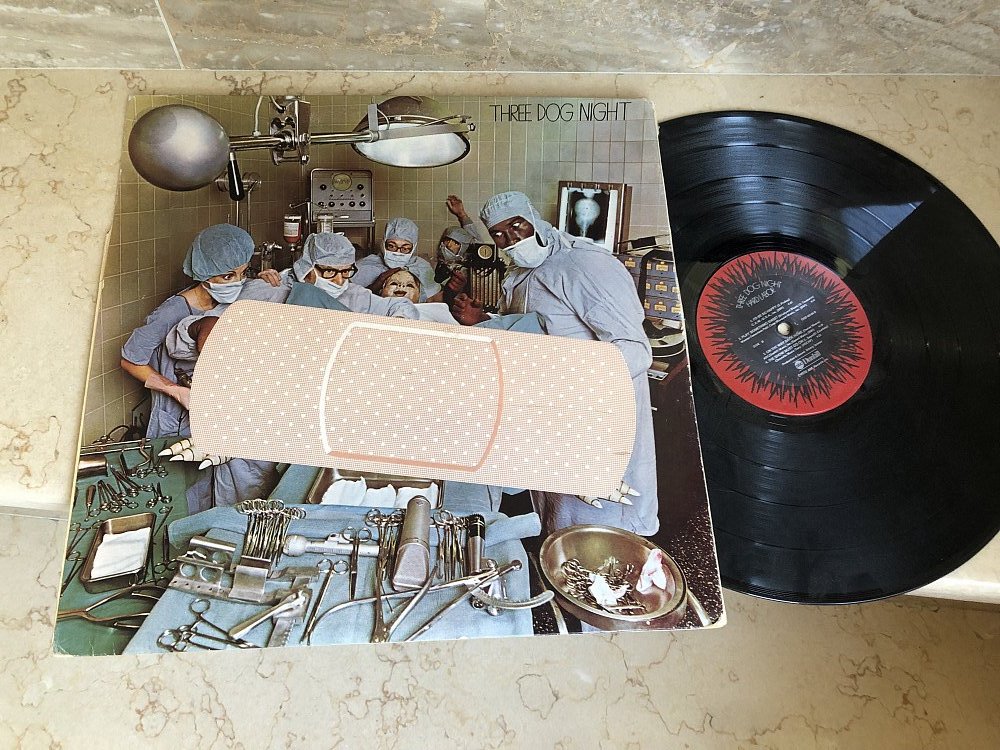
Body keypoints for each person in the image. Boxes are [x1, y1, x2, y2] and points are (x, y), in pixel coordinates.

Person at [452, 191, 658, 537]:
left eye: (517, 226)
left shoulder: (584, 265)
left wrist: (569, 392)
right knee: (558, 518)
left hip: (595, 412)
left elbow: (635, 350)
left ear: (533, 217)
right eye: (499, 234)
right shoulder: (523, 269)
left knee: (599, 526)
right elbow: (537, 327)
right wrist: (484, 320)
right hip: (551, 414)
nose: (511, 239)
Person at [120, 223, 254, 438]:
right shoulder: (172, 311)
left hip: (215, 412)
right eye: (228, 276)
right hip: (176, 420)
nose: (238, 283)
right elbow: (130, 360)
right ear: (205, 273)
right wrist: (176, 391)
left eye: (243, 273)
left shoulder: (228, 302)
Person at [351, 218, 442, 302]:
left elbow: (433, 301)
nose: (397, 252)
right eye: (391, 246)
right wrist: (374, 287)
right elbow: (352, 301)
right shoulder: (364, 266)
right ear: (384, 244)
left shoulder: (421, 267)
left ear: (413, 247)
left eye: (405, 248)